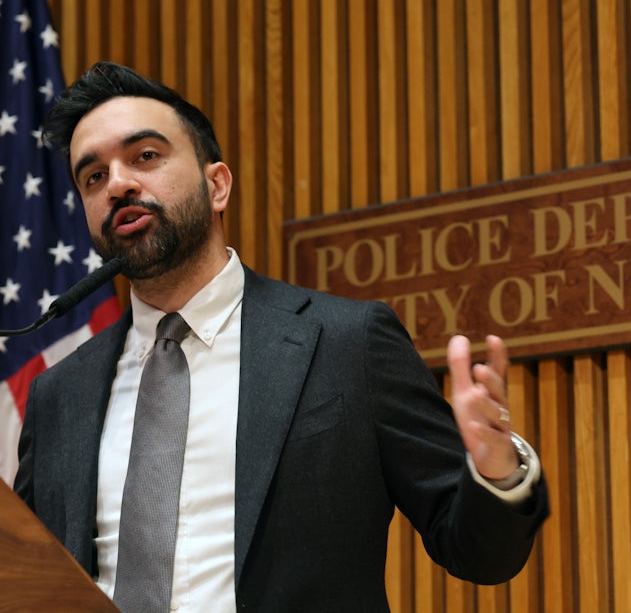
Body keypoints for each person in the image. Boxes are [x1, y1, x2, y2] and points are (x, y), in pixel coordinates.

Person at [14, 61, 548, 611]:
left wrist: (495, 473)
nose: (119, 183)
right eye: (93, 177)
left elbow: (480, 555)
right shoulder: (59, 395)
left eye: (145, 156)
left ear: (216, 184)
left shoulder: (348, 344)